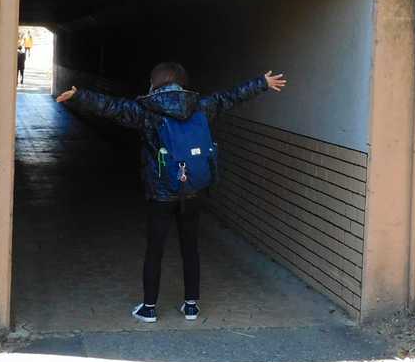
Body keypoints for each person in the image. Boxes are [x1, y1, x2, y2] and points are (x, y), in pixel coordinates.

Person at [57, 62, 288, 323]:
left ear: (155, 83)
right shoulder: (200, 106)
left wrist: (79, 96)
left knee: (155, 250)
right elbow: (229, 97)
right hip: (192, 189)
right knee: (190, 248)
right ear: (182, 82)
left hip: (161, 192)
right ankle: (191, 306)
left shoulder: (148, 111)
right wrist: (261, 83)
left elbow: (111, 107)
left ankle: (149, 308)